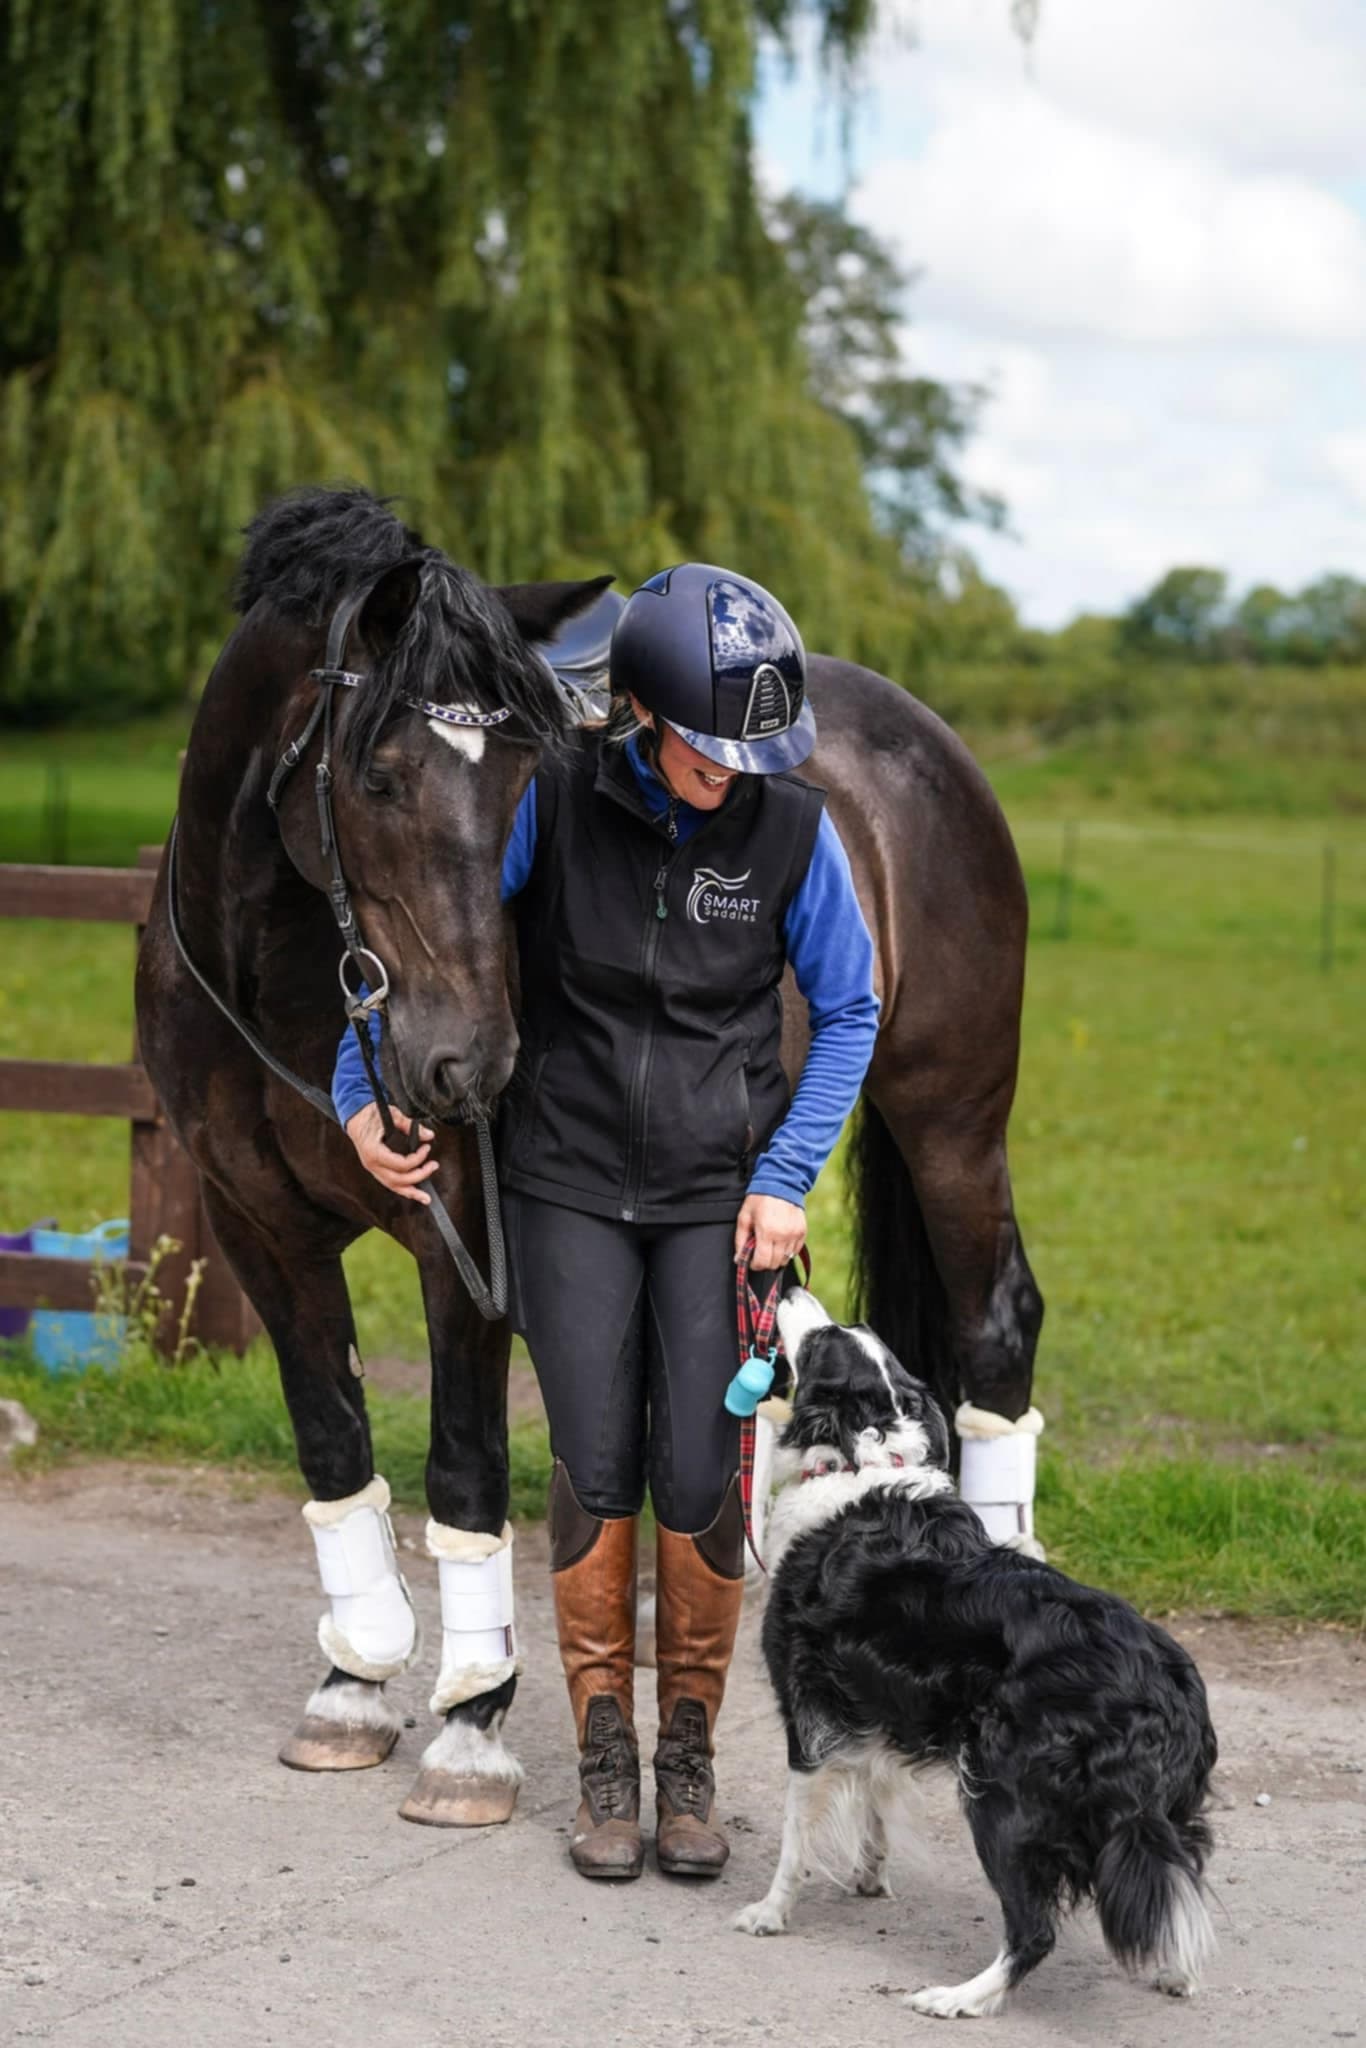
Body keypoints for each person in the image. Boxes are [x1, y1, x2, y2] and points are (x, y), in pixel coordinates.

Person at [334, 563, 879, 1880]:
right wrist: (360, 1090)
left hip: (712, 1196)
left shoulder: (789, 835)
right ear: (640, 714)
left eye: (751, 755)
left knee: (698, 1477)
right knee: (595, 1467)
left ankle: (685, 1756)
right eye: (707, 751)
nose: (728, 776)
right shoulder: (553, 804)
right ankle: (602, 1758)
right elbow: (427, 929)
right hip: (567, 1181)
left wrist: (785, 1173)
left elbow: (849, 1008)